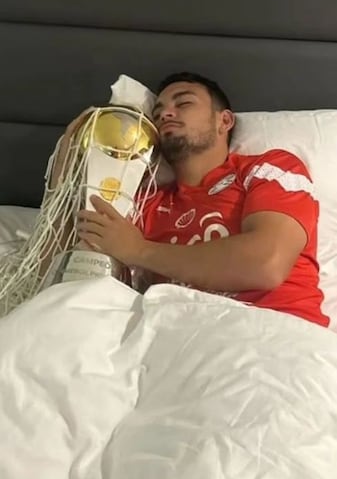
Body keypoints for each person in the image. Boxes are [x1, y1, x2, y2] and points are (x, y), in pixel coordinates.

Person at [71, 72, 328, 328]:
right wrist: (67, 159)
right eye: (158, 112)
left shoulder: (268, 169)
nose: (165, 115)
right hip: (174, 338)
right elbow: (67, 268)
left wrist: (139, 250)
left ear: (224, 121)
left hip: (273, 330)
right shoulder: (143, 204)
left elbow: (266, 264)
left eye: (183, 104)